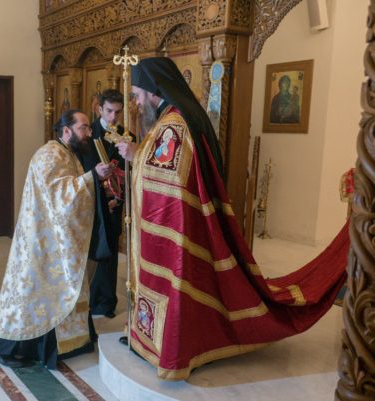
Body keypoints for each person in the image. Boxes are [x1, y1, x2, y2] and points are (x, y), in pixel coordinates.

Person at [116, 57, 347, 380]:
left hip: (179, 225)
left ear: (154, 90)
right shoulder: (175, 117)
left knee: (182, 284)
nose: (137, 102)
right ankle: (155, 339)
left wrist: (136, 155)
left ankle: (174, 347)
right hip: (182, 223)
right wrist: (141, 153)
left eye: (138, 95)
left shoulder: (175, 124)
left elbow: (168, 179)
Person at [0, 110, 115, 369]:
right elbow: (59, 196)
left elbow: (74, 192)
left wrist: (99, 190)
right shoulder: (49, 154)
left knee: (56, 291)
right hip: (40, 239)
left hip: (55, 237)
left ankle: (69, 342)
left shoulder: (69, 154)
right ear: (66, 130)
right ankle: (10, 346)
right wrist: (93, 177)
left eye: (88, 128)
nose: (88, 133)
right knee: (32, 292)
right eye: (83, 128)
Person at [80, 89, 131, 319]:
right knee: (91, 250)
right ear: (99, 109)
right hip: (92, 201)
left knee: (110, 249)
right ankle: (87, 300)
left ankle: (106, 302)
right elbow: (80, 168)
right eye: (109, 111)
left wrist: (117, 199)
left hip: (115, 203)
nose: (113, 117)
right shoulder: (86, 135)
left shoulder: (127, 136)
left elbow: (128, 172)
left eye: (118, 112)